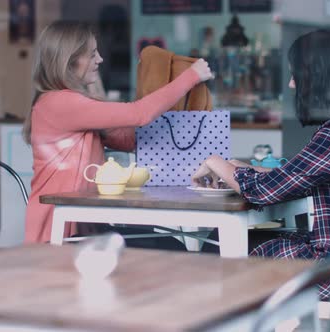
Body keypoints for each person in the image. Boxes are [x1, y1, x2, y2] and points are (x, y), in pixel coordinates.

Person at [191, 30, 330, 302]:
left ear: (316, 78)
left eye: (296, 75)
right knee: (247, 244)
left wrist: (214, 161)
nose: (292, 84)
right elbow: (296, 176)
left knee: (220, 253)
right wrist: (236, 166)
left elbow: (262, 191)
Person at [23, 21, 213, 243]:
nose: (100, 59)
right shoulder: (60, 103)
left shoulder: (68, 104)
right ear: (70, 60)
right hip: (57, 232)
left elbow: (126, 139)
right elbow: (140, 113)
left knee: (166, 243)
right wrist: (191, 76)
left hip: (82, 225)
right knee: (165, 245)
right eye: (92, 54)